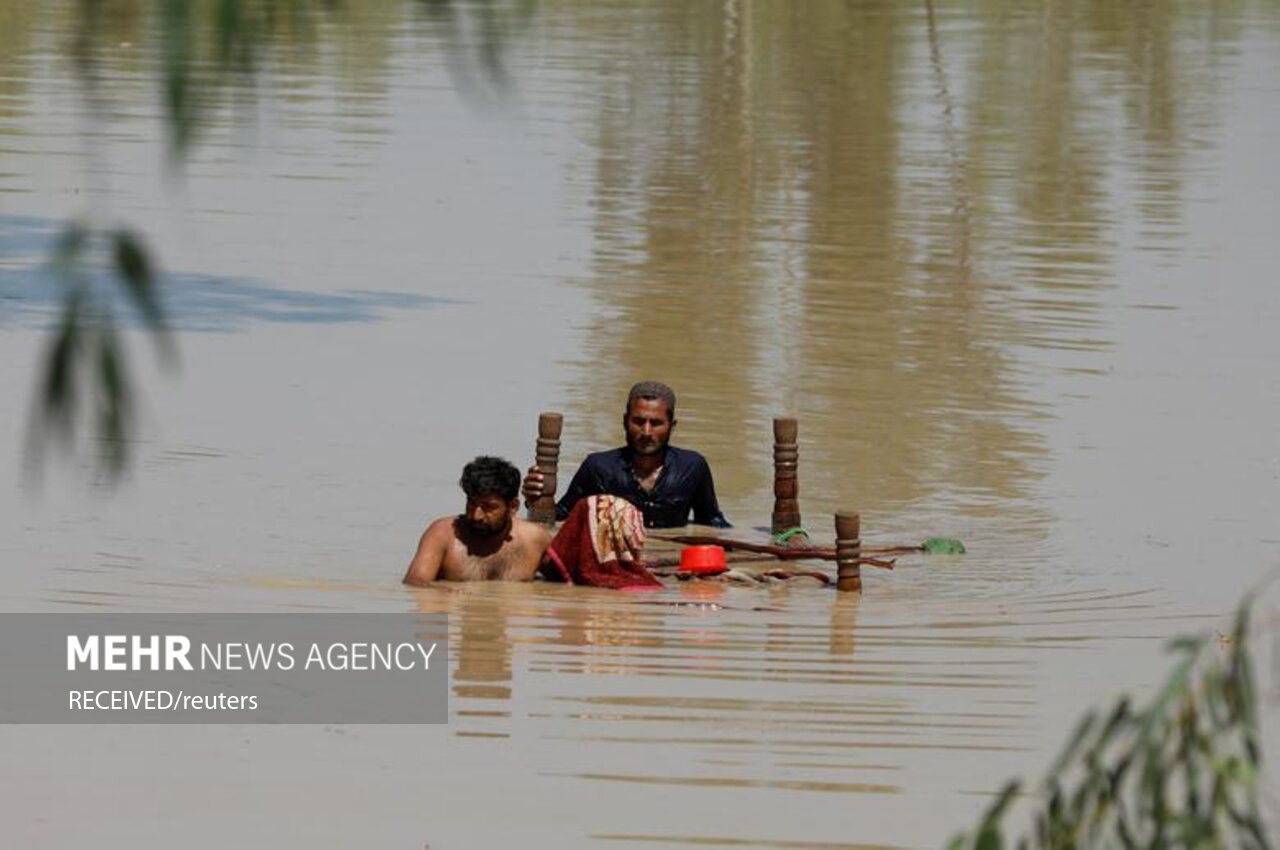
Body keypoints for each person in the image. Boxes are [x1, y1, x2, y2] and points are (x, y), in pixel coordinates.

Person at [522, 381, 731, 529]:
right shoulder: (598, 468)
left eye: (656, 423)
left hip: (670, 563)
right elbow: (559, 518)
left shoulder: (692, 467)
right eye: (638, 421)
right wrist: (534, 500)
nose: (646, 432)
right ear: (625, 421)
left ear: (671, 426)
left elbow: (711, 525)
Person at [404, 456, 553, 585]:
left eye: (489, 507)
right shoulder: (441, 535)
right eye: (471, 503)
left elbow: (568, 583)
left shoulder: (535, 540)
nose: (476, 516)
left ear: (513, 507)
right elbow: (415, 584)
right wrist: (447, 593)